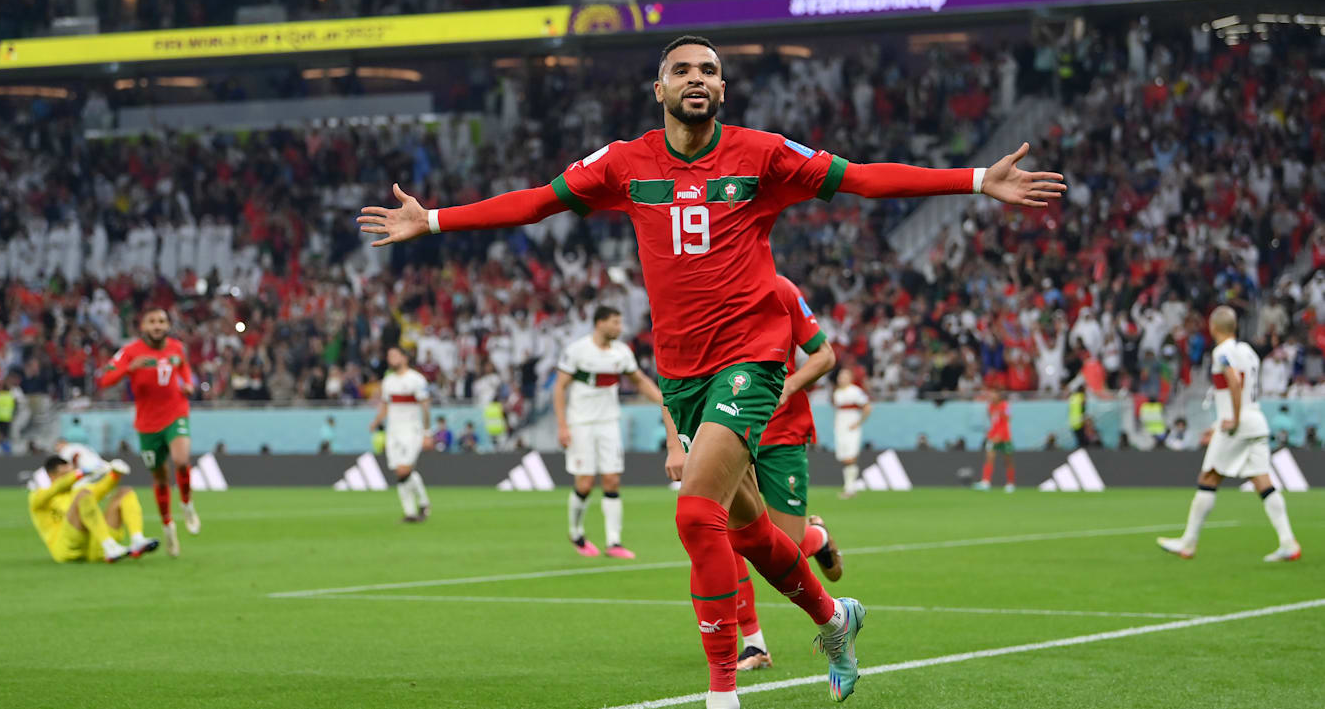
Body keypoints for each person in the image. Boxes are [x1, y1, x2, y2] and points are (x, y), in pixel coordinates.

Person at [358, 35, 1064, 707]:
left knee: (696, 516)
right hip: (683, 375)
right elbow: (538, 202)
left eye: (709, 70)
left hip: (749, 359)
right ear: (658, 87)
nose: (697, 78)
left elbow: (862, 179)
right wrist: (437, 220)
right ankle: (834, 617)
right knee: (752, 531)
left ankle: (722, 690)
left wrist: (976, 180)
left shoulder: (761, 155)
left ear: (723, 87)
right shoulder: (624, 164)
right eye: (684, 69)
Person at [736, 275, 842, 672]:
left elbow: (824, 355)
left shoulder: (781, 290)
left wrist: (787, 387)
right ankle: (754, 644)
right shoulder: (710, 288)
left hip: (782, 434)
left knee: (785, 554)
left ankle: (817, 537)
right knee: (730, 536)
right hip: (733, 429)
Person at [1158, 306, 1301, 562]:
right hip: (1256, 420)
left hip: (1238, 423)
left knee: (1209, 477)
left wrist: (1233, 419)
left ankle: (1188, 543)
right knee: (1262, 482)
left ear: (1213, 328)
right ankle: (1288, 542)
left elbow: (1234, 383)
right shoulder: (1248, 351)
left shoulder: (1222, 352)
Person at [555, 305, 664, 558]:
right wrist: (562, 425)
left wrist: (662, 401)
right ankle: (576, 533)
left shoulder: (621, 352)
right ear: (600, 323)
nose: (619, 327)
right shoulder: (577, 351)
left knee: (612, 479)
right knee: (584, 482)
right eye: (615, 322)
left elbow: (639, 381)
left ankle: (614, 542)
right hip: (580, 423)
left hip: (609, 423)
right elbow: (560, 388)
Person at [96, 308, 198, 558]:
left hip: (176, 413)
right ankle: (168, 526)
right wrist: (129, 368)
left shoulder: (176, 347)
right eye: (152, 321)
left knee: (182, 460)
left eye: (162, 321)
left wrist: (189, 385)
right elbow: (105, 379)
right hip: (147, 424)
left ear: (168, 325)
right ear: (143, 326)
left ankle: (186, 504)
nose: (157, 326)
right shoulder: (131, 352)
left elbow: (184, 369)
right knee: (161, 478)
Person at [28, 454, 158, 563]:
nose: (70, 478)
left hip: (92, 548)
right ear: (52, 476)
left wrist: (115, 474)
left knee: (125, 492)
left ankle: (137, 539)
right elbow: (57, 487)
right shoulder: (39, 498)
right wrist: (79, 474)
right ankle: (109, 546)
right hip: (65, 550)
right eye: (65, 475)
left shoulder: (77, 491)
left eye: (71, 473)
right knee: (83, 495)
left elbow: (101, 489)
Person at [369, 347, 432, 523]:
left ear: (404, 358)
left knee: (404, 469)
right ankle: (412, 512)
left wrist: (427, 432)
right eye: (389, 356)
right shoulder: (388, 381)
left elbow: (425, 406)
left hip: (412, 429)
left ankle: (422, 504)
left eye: (394, 355)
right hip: (393, 431)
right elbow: (385, 405)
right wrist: (376, 421)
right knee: (400, 471)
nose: (390, 358)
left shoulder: (416, 380)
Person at [833, 368, 871, 499]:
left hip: (851, 427)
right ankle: (848, 488)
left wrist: (858, 422)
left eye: (844, 376)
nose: (841, 379)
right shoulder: (837, 393)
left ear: (850, 378)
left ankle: (850, 489)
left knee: (850, 457)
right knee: (844, 458)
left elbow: (867, 407)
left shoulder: (855, 391)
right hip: (840, 428)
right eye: (840, 376)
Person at [975, 388, 1015, 492]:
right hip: (993, 437)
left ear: (998, 395)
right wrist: (991, 433)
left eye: (994, 394)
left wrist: (1000, 435)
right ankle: (986, 482)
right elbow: (993, 421)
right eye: (991, 394)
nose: (991, 396)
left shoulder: (1005, 405)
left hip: (1005, 437)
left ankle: (1010, 484)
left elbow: (1008, 420)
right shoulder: (990, 407)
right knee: (989, 457)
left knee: (1007, 461)